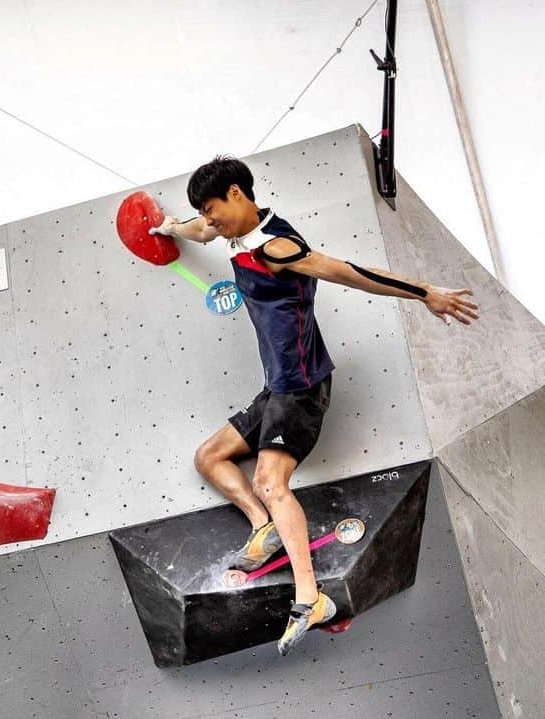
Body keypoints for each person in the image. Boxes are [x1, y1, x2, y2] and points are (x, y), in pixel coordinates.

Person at [149, 156, 478, 655]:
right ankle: (264, 527)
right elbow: (198, 231)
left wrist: (425, 292)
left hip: (301, 387)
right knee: (209, 458)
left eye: (214, 211)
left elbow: (349, 272)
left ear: (237, 194)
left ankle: (311, 598)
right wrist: (168, 225)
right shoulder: (229, 230)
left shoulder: (278, 247)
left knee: (269, 480)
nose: (210, 223)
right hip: (275, 389)